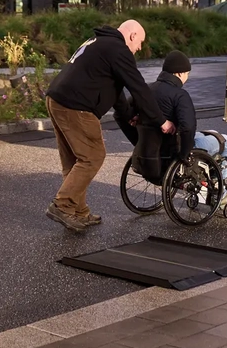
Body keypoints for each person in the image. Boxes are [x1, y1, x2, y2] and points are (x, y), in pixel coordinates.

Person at [44, 20, 175, 232]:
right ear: (132, 36)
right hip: (76, 106)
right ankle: (63, 206)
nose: (139, 48)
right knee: (93, 156)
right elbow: (138, 87)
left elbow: (114, 88)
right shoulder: (118, 49)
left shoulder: (98, 42)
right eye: (140, 42)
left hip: (57, 100)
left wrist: (128, 114)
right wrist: (162, 121)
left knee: (74, 159)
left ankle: (79, 211)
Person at [132, 50, 227, 198]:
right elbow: (188, 127)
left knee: (209, 132)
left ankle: (212, 178)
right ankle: (221, 193)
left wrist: (137, 141)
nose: (187, 77)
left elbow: (123, 114)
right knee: (225, 141)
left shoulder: (147, 90)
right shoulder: (179, 95)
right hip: (175, 148)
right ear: (179, 74)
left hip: (152, 149)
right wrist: (184, 155)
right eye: (187, 73)